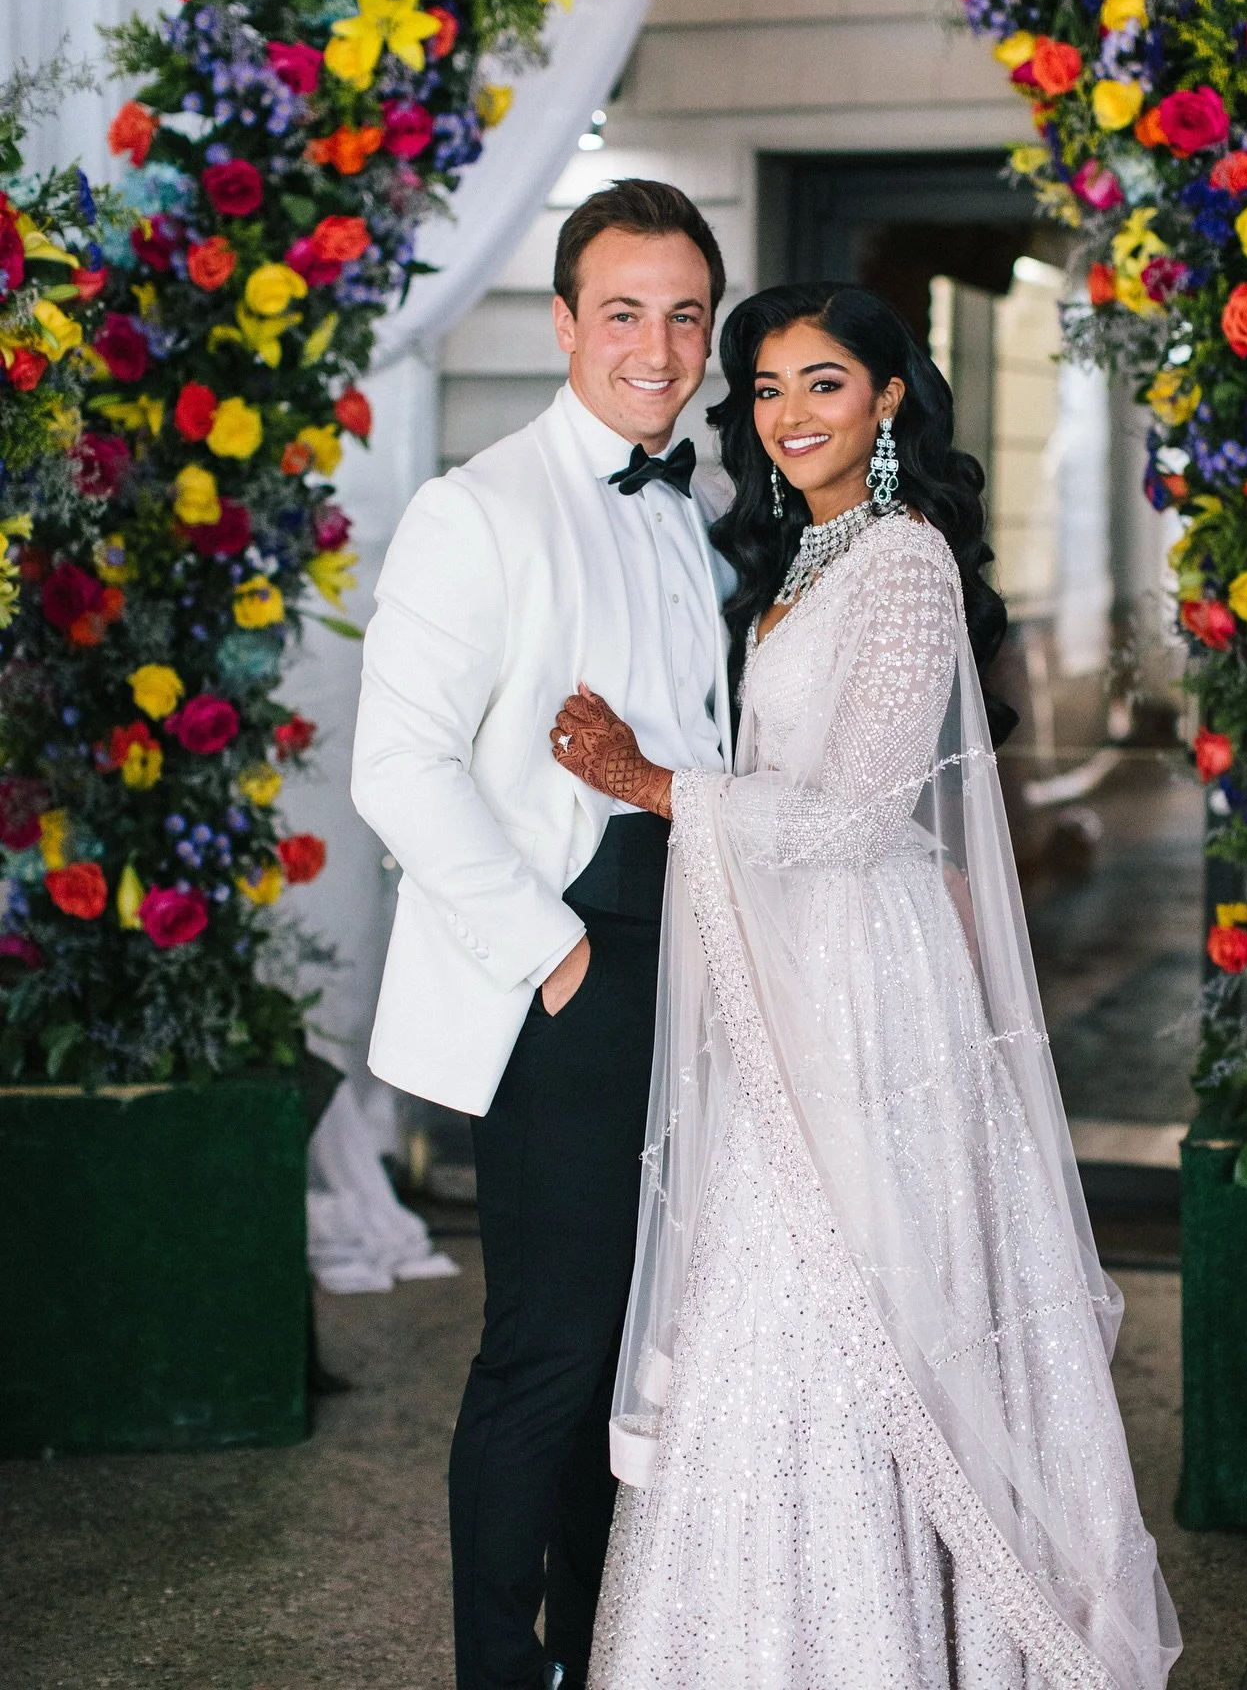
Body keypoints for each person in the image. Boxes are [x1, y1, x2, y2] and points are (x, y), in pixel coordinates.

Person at [550, 284, 1182, 1689]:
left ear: (889, 398)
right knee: (771, 1295)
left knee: (843, 1292)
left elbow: (850, 813)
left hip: (862, 988)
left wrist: (650, 783)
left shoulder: (900, 561)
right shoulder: (801, 559)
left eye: (824, 383)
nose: (790, 416)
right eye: (769, 388)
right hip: (791, 966)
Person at [350, 180, 733, 1690]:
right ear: (565, 323)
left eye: (685, 315)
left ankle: (597, 1656)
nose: (658, 347)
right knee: (550, 1354)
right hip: (562, 974)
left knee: (635, 1358)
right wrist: (553, 954)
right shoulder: (478, 508)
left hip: (694, 955)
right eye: (623, 312)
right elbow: (397, 767)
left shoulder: (694, 513)